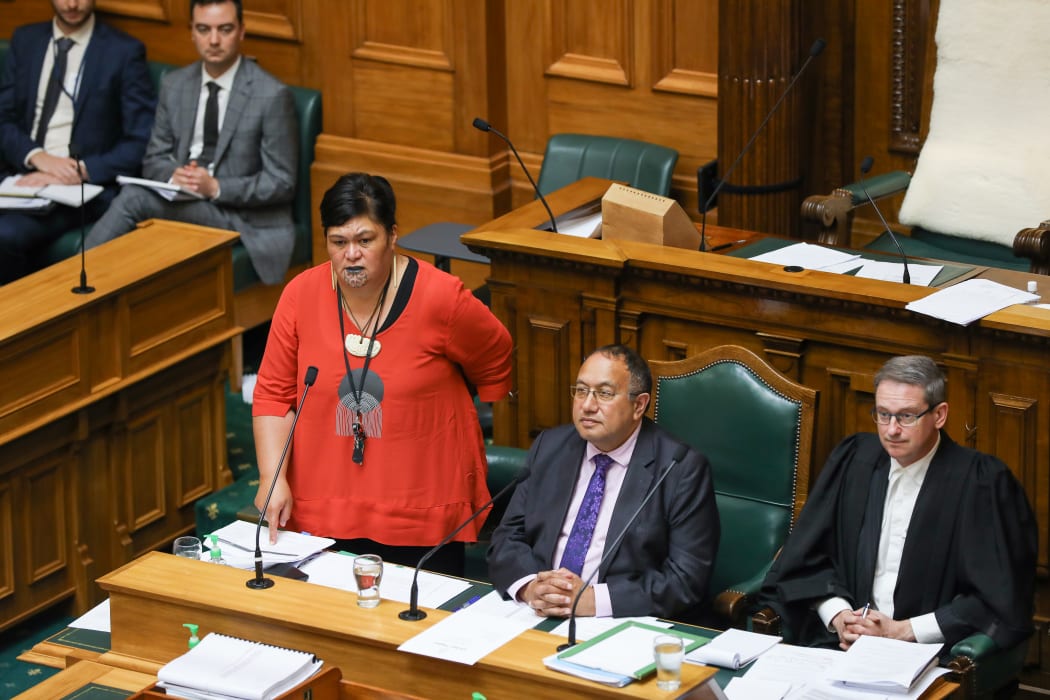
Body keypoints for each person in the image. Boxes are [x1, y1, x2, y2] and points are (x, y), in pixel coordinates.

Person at [251, 172, 513, 576]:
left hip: (420, 509)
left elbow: (494, 353)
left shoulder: (441, 298)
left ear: (392, 235)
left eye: (364, 240)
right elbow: (273, 394)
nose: (350, 254)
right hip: (324, 502)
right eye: (338, 242)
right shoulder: (300, 295)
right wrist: (272, 477)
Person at [760, 355, 1036, 651]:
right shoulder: (853, 460)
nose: (891, 430)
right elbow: (805, 561)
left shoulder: (982, 483)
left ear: (939, 415)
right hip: (839, 647)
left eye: (906, 416)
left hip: (929, 654)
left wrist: (901, 631)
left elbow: (999, 598)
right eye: (883, 414)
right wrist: (841, 617)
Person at [487, 344, 720, 620]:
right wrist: (530, 586)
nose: (587, 405)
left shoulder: (679, 469)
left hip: (620, 621)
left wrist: (593, 600)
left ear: (639, 405)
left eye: (604, 394)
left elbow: (686, 579)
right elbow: (507, 536)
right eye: (581, 390)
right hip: (534, 612)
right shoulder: (550, 447)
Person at [85, 0, 298, 285]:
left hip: (241, 217)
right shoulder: (175, 84)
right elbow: (153, 160)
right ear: (192, 33)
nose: (213, 40)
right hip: (183, 200)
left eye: (224, 30)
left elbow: (282, 181)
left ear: (242, 32)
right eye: (203, 29)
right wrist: (175, 175)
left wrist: (215, 187)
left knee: (134, 198)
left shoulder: (271, 95)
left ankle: (71, 282)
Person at [0, 0, 155, 284]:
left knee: (4, 236)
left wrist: (78, 170)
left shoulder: (123, 52)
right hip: (20, 175)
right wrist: (36, 156)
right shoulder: (26, 40)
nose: (72, 3)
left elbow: (140, 141)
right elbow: (3, 119)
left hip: (78, 190)